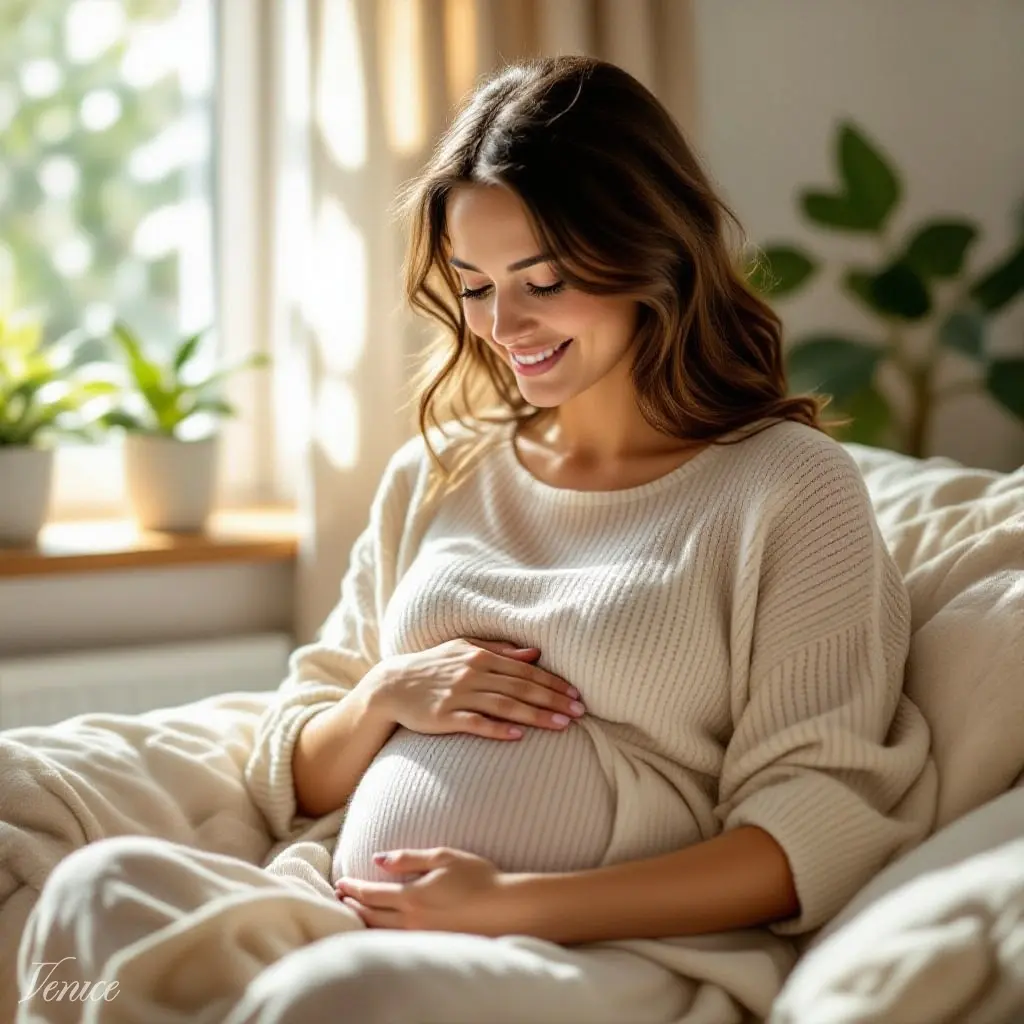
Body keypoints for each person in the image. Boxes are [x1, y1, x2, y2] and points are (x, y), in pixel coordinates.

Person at [17, 56, 936, 1023]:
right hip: (352, 910)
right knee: (95, 893)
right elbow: (292, 770)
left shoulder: (785, 488)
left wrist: (511, 905)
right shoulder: (438, 472)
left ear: (651, 253)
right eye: (474, 285)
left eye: (543, 280)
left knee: (333, 998)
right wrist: (384, 695)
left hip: (605, 947)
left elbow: (813, 827)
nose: (506, 324)